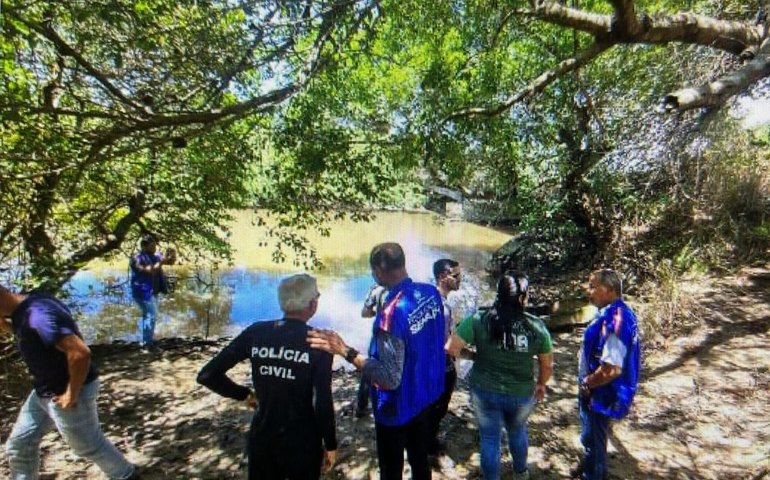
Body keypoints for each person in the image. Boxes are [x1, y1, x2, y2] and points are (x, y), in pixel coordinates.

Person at [307, 242, 446, 480]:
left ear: (379, 271)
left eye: (373, 271)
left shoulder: (392, 315)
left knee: (391, 470)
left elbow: (388, 378)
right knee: (420, 460)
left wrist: (345, 351)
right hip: (428, 395)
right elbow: (438, 338)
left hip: (397, 408)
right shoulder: (430, 293)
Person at [197, 274, 337, 480]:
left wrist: (244, 394)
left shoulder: (258, 332)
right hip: (302, 442)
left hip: (263, 437)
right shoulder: (318, 342)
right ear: (311, 304)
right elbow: (322, 401)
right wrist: (331, 444)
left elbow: (208, 375)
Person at [0, 285, 137, 480]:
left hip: (67, 391)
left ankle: (125, 474)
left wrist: (71, 394)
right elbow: (28, 331)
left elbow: (80, 353)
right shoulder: (28, 307)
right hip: (43, 391)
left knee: (88, 446)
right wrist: (5, 325)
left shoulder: (38, 315)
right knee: (20, 444)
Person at [446, 273, 553, 480]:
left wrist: (474, 356)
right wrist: (541, 384)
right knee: (517, 431)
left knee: (489, 438)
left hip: (484, 391)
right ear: (522, 297)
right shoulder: (537, 327)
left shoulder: (479, 319)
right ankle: (521, 473)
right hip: (520, 393)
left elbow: (451, 348)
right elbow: (546, 364)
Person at [573, 269, 641, 480]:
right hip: (600, 389)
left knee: (594, 438)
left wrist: (588, 382)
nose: (589, 290)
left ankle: (594, 474)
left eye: (594, 286)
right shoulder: (615, 312)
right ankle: (589, 466)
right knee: (591, 435)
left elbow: (612, 369)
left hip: (602, 392)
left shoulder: (617, 321)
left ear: (610, 290)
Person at [428, 258, 462, 455]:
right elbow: (447, 345)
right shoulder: (443, 308)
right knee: (438, 407)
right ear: (442, 277)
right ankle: (429, 443)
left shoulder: (430, 298)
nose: (460, 279)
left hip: (428, 365)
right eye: (456, 276)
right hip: (441, 367)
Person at [129, 234, 175, 350]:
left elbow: (170, 262)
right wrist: (162, 262)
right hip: (142, 292)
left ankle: (148, 341)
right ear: (144, 246)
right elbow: (150, 271)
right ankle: (147, 343)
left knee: (150, 316)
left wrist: (172, 255)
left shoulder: (156, 255)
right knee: (151, 315)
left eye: (155, 245)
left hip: (153, 292)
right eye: (152, 245)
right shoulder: (136, 258)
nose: (155, 248)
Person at [356, 284, 388, 418]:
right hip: (398, 337)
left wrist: (376, 313)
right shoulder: (407, 287)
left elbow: (365, 313)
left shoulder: (376, 289)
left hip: (379, 336)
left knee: (369, 370)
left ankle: (361, 407)